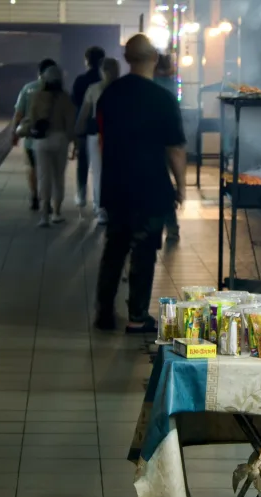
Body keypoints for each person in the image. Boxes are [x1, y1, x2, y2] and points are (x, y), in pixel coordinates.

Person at [94, 34, 186, 334]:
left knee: (114, 250)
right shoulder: (162, 98)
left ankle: (104, 313)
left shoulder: (110, 94)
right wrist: (182, 186)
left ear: (126, 58)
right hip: (150, 187)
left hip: (115, 186)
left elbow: (102, 140)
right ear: (155, 59)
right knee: (144, 251)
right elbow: (175, 148)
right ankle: (137, 316)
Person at [28, 64, 76, 227]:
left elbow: (32, 119)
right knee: (58, 178)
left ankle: (44, 216)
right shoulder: (65, 97)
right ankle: (56, 213)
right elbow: (70, 122)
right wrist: (73, 141)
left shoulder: (37, 95)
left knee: (43, 177)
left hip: (41, 141)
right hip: (60, 139)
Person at [75, 57, 120, 225]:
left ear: (102, 71)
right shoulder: (123, 88)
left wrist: (77, 132)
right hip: (119, 135)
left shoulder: (94, 89)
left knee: (98, 172)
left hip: (96, 134)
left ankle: (100, 209)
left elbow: (84, 113)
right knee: (117, 171)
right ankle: (115, 206)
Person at [13, 58, 58, 212]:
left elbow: (19, 113)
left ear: (39, 72)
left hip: (31, 138)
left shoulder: (27, 88)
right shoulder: (58, 91)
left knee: (31, 167)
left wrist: (15, 133)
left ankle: (34, 196)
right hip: (52, 138)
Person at [71, 46, 105, 210]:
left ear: (87, 60)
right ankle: (99, 201)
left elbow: (75, 104)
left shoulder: (81, 80)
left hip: (84, 126)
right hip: (103, 128)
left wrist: (75, 128)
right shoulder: (106, 82)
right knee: (101, 167)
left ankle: (81, 194)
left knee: (83, 161)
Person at [152, 54, 181, 244]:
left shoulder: (149, 83)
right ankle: (171, 227)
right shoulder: (172, 85)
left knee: (154, 182)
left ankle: (157, 225)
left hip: (150, 139)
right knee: (165, 182)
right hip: (168, 137)